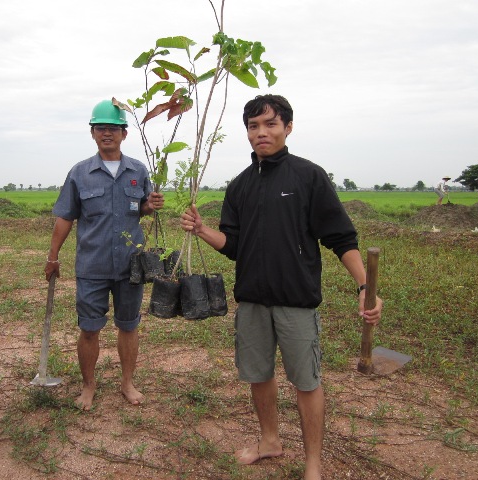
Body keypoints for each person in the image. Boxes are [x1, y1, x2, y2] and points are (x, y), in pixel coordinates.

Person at [180, 94, 382, 479]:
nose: (262, 132)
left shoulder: (308, 176)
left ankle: (313, 462)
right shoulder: (239, 186)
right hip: (253, 302)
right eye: (253, 126)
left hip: (296, 302)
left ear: (288, 128)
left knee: (306, 381)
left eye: (271, 124)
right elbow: (234, 246)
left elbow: (340, 238)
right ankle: (269, 441)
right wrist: (203, 230)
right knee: (258, 375)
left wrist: (363, 286)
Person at [44, 99, 164, 411]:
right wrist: (53, 256)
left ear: (124, 133)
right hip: (92, 266)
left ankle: (127, 383)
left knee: (129, 325)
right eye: (100, 128)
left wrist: (151, 204)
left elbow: (143, 209)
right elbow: (65, 217)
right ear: (92, 133)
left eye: (113, 128)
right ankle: (88, 386)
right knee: (89, 328)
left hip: (130, 266)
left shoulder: (138, 170)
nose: (106, 133)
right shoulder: (79, 173)